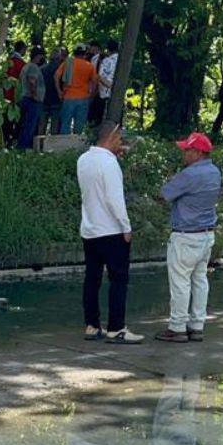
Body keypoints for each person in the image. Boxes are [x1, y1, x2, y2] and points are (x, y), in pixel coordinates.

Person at [77, 121, 144, 345]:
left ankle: (91, 324)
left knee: (92, 278)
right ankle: (116, 327)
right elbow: (115, 199)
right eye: (119, 139)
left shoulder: (84, 160)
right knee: (118, 279)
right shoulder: (109, 163)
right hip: (112, 230)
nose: (121, 143)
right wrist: (126, 227)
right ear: (111, 137)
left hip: (90, 229)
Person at [156, 132, 221, 343]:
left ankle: (177, 327)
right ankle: (197, 325)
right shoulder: (214, 172)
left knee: (180, 282)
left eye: (187, 150)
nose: (184, 153)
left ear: (197, 152)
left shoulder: (190, 174)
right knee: (200, 280)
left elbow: (164, 194)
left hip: (185, 236)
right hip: (206, 235)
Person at [55, 45, 96, 135]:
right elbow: (94, 82)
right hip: (84, 98)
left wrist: (59, 91)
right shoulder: (89, 66)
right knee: (79, 125)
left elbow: (56, 76)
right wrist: (91, 95)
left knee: (65, 123)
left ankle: (65, 145)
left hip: (68, 97)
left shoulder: (67, 63)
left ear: (74, 52)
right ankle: (76, 145)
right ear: (85, 53)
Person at [16, 47, 47, 150]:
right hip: (32, 100)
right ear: (38, 56)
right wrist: (35, 95)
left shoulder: (25, 66)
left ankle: (20, 146)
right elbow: (32, 80)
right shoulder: (33, 67)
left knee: (24, 124)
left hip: (24, 98)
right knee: (30, 125)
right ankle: (24, 147)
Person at [2, 41, 28, 147]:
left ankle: (5, 141)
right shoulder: (22, 64)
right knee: (16, 120)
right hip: (16, 97)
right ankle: (13, 141)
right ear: (22, 49)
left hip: (5, 96)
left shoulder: (7, 62)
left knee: (6, 121)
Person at [39, 46, 66, 136]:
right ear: (59, 58)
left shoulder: (42, 69)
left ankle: (40, 143)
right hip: (56, 99)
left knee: (42, 124)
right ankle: (53, 144)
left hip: (44, 99)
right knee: (55, 124)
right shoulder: (61, 70)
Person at [93, 40, 119, 125]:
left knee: (102, 122)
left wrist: (108, 85)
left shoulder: (106, 61)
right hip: (118, 95)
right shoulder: (122, 60)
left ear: (108, 49)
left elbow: (100, 77)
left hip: (105, 94)